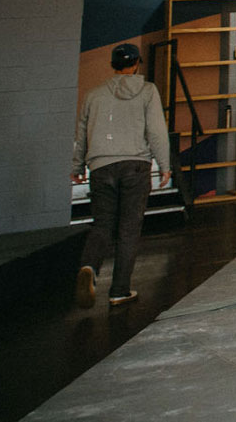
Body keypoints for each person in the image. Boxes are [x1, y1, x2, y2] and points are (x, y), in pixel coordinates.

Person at [72, 43, 170, 308]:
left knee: (103, 225)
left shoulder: (93, 95)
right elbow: (157, 131)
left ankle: (89, 267)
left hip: (101, 166)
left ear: (112, 65)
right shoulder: (148, 91)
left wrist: (77, 166)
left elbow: (81, 133)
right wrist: (165, 165)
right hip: (135, 166)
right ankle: (119, 291)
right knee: (128, 230)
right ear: (137, 63)